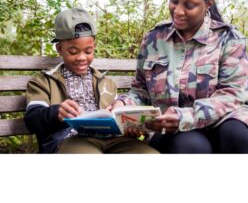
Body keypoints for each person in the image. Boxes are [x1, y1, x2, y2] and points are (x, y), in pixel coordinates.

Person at [110, 0, 248, 153]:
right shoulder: (154, 39)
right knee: (191, 145)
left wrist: (186, 116)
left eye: (189, 5)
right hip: (175, 131)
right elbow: (141, 90)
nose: (178, 11)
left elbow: (233, 94)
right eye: (174, 1)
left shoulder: (229, 39)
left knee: (238, 135)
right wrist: (124, 104)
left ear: (208, 4)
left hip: (226, 119)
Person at [24, 8, 158, 154]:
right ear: (59, 48)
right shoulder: (43, 83)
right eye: (73, 52)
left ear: (94, 46)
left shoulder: (106, 83)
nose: (82, 57)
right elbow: (32, 120)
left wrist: (130, 127)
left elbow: (117, 117)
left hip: (114, 139)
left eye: (88, 51)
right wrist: (56, 112)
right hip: (69, 139)